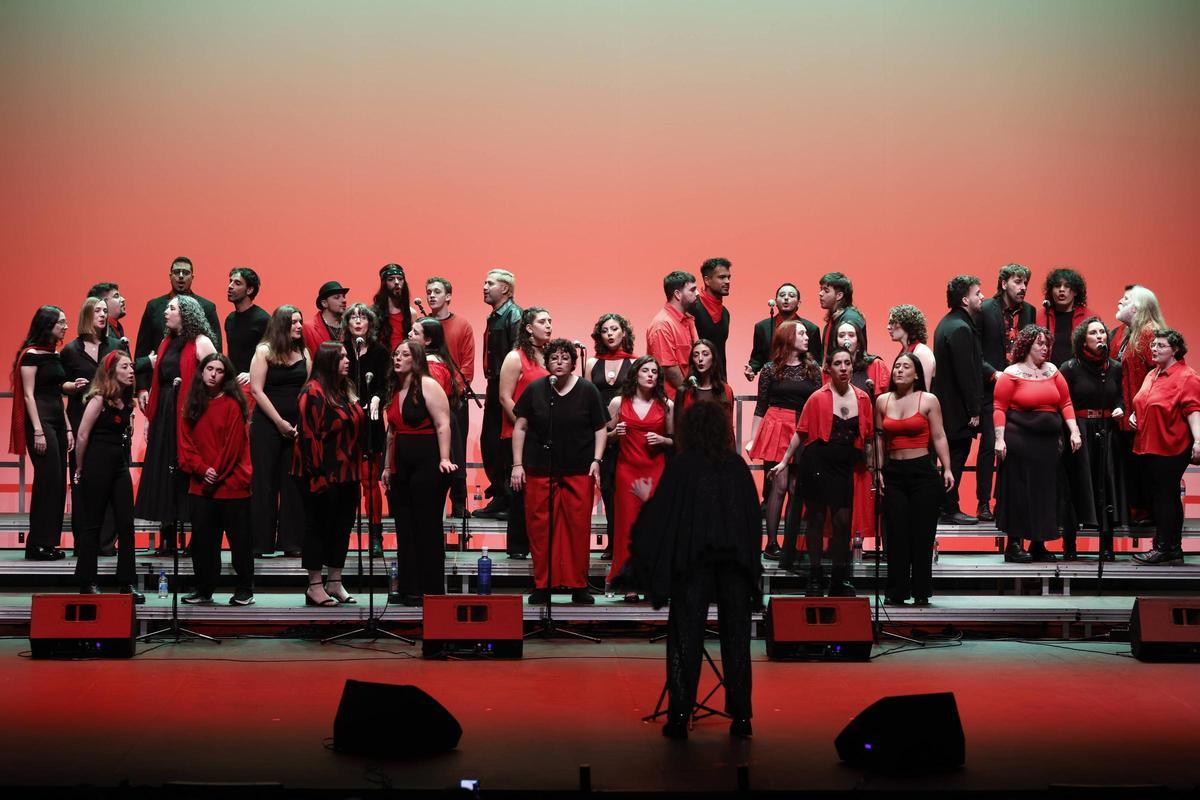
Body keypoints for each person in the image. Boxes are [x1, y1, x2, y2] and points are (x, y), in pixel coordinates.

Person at [624, 401, 761, 739]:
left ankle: (679, 716)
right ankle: (741, 717)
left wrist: (644, 499)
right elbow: (751, 518)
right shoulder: (737, 466)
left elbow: (665, 515)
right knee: (737, 639)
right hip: (734, 564)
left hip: (694, 562)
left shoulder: (683, 465)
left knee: (685, 636)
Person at [511, 338, 607, 605]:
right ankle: (543, 584)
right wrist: (517, 465)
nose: (560, 362)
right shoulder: (535, 389)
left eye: (565, 358)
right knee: (540, 528)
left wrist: (596, 460)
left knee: (577, 527)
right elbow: (520, 426)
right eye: (554, 358)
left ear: (573, 362)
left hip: (578, 468)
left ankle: (578, 585)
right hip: (541, 468)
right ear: (547, 362)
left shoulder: (588, 391)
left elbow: (600, 428)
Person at [774, 347, 874, 596]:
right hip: (816, 463)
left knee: (842, 522)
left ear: (852, 367)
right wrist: (785, 460)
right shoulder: (818, 397)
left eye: (847, 363)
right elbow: (801, 431)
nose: (843, 367)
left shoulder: (862, 398)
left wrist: (874, 469)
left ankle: (839, 578)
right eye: (838, 363)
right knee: (816, 519)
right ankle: (816, 576)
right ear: (828, 368)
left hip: (843, 466)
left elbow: (870, 438)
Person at [134, 295, 217, 555]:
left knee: (189, 473)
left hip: (192, 413)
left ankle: (197, 539)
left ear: (186, 313)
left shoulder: (201, 342)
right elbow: (160, 380)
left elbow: (215, 378)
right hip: (166, 413)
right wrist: (151, 418)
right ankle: (168, 537)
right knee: (166, 474)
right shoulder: (165, 342)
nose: (166, 312)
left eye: (172, 308)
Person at [994, 325, 1082, 562]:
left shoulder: (1052, 370)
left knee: (1045, 492)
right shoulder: (1011, 373)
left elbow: (1065, 403)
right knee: (1020, 492)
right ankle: (1014, 545)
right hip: (1019, 441)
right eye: (1040, 344)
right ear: (1027, 346)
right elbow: (999, 408)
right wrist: (1000, 439)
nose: (1045, 348)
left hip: (1048, 444)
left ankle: (1038, 543)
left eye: (1046, 344)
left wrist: (1074, 431)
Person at [874, 353, 954, 606]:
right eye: (896, 365)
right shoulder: (882, 401)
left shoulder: (928, 399)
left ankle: (921, 591)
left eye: (905, 366)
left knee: (922, 534)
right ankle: (897, 591)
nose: (899, 370)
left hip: (922, 472)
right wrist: (877, 470)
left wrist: (947, 468)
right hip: (894, 472)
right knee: (896, 533)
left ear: (917, 374)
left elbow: (939, 436)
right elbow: (878, 438)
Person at [382, 339, 457, 605]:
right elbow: (391, 431)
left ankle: (431, 588)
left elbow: (443, 424)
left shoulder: (428, 384)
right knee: (405, 525)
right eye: (396, 354)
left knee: (426, 525)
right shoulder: (394, 388)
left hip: (428, 460)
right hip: (402, 462)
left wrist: (445, 458)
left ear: (416, 359)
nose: (398, 358)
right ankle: (409, 588)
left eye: (404, 354)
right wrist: (388, 466)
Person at [178, 354, 255, 605]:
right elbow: (186, 445)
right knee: (202, 543)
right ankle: (204, 588)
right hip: (201, 485)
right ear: (201, 372)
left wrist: (213, 474)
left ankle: (244, 589)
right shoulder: (192, 405)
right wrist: (202, 470)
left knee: (240, 541)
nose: (213, 374)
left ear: (226, 376)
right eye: (209, 369)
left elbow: (233, 446)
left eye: (219, 370)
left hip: (231, 484)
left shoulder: (233, 404)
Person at [293, 341, 364, 607]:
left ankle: (334, 581)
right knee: (318, 528)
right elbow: (309, 439)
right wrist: (319, 476)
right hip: (319, 473)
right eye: (342, 357)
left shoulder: (345, 389)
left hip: (347, 473)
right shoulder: (313, 392)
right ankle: (314, 585)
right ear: (328, 362)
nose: (347, 360)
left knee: (341, 528)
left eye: (347, 356)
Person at [745, 321, 821, 563]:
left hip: (803, 428)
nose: (806, 336)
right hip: (777, 425)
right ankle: (771, 543)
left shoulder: (813, 368)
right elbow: (761, 405)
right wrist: (753, 438)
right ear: (788, 337)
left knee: (795, 488)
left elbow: (818, 402)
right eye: (801, 333)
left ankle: (788, 543)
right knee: (778, 486)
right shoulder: (770, 369)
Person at [71, 350, 142, 600]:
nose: (131, 370)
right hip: (97, 463)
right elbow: (82, 435)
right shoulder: (99, 399)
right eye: (125, 367)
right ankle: (87, 581)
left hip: (118, 464)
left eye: (132, 366)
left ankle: (127, 582)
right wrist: (80, 468)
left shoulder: (126, 400)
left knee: (126, 524)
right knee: (93, 525)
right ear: (112, 371)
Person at [1129, 329, 1200, 565]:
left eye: (1161, 346)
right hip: (1148, 445)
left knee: (1166, 497)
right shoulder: (1153, 374)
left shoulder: (1187, 376)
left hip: (1170, 446)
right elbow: (1145, 401)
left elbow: (1193, 411)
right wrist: (1134, 414)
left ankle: (1167, 548)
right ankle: (1168, 546)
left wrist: (1199, 440)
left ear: (1175, 350)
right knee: (1160, 497)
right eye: (1154, 346)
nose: (1154, 349)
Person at [606, 356, 673, 602]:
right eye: (645, 370)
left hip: (656, 470)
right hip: (628, 471)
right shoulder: (617, 402)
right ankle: (630, 582)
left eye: (654, 371)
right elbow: (603, 435)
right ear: (635, 374)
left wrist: (663, 440)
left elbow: (677, 440)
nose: (650, 375)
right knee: (627, 527)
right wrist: (615, 433)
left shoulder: (667, 404)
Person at [10, 306, 74, 560]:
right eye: (61, 322)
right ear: (48, 325)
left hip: (57, 420)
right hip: (41, 422)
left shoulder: (53, 354)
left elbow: (57, 392)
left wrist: (67, 426)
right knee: (47, 481)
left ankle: (48, 543)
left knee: (58, 483)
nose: (65, 326)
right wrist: (37, 430)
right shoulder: (31, 355)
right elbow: (28, 395)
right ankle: (36, 544)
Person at [1059, 317, 1126, 560]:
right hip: (1080, 431)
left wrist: (1120, 408)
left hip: (1107, 431)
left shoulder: (1115, 367)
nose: (1100, 336)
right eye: (1093, 333)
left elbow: (1120, 396)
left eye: (1102, 332)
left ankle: (1106, 544)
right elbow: (1062, 402)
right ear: (1082, 339)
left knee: (1106, 486)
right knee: (1076, 486)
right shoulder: (1070, 367)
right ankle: (1070, 545)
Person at [977, 264, 1037, 522]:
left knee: (1016, 446)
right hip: (992, 386)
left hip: (1020, 387)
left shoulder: (1030, 311)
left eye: (1025, 283)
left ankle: (1005, 502)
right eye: (1017, 281)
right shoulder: (985, 309)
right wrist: (993, 373)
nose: (1023, 287)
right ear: (1004, 283)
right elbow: (975, 351)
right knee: (990, 444)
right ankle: (983, 503)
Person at [249, 305, 309, 558]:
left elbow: (308, 388)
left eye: (300, 321)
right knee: (265, 483)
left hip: (295, 425)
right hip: (267, 424)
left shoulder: (303, 351)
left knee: (292, 483)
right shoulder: (264, 351)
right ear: (282, 324)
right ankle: (261, 543)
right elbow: (256, 390)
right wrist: (279, 422)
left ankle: (291, 541)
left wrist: (298, 423)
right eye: (294, 322)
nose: (298, 326)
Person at [61, 298, 116, 555]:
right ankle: (84, 543)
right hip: (79, 419)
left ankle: (106, 544)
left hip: (109, 426)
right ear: (86, 315)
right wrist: (72, 386)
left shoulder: (114, 347)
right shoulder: (71, 350)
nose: (103, 315)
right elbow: (58, 383)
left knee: (110, 483)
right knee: (81, 480)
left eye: (105, 311)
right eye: (98, 311)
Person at [930, 275, 985, 526]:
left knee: (950, 459)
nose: (981, 297)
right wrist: (974, 409)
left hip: (947, 407)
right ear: (965, 299)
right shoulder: (961, 328)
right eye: (977, 293)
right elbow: (967, 373)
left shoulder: (946, 324)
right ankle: (949, 507)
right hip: (957, 410)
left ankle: (946, 505)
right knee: (955, 458)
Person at [497, 307, 551, 559]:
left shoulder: (551, 356)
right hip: (518, 434)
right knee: (520, 490)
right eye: (542, 321)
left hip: (545, 435)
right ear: (529, 328)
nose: (549, 325)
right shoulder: (515, 357)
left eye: (550, 321)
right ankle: (518, 546)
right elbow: (505, 397)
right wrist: (522, 425)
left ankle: (542, 544)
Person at [1112, 285, 1168, 526]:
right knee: (1133, 466)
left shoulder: (1149, 333)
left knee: (1146, 468)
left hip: (1143, 417)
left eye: (1125, 300)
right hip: (1129, 416)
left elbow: (1161, 375)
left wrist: (1141, 409)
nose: (1119, 303)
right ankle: (1139, 511)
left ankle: (1149, 513)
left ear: (1138, 307)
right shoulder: (1125, 332)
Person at [585, 313, 636, 560]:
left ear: (623, 332)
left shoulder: (635, 363)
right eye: (605, 330)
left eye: (614, 329)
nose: (610, 334)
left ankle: (626, 543)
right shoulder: (592, 363)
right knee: (607, 488)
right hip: (600, 431)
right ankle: (612, 542)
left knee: (625, 490)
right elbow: (585, 399)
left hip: (627, 433)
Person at [425, 276, 475, 517]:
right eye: (428, 292)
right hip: (426, 401)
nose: (432, 295)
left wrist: (447, 392)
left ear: (448, 296)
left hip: (453, 399)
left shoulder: (462, 325)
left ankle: (458, 502)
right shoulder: (421, 327)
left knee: (457, 450)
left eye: (436, 291)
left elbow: (467, 367)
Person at [134, 257, 222, 394]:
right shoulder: (154, 306)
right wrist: (142, 388)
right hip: (159, 383)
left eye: (185, 273)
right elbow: (143, 348)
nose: (181, 276)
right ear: (170, 276)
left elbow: (216, 349)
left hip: (194, 386)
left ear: (192, 277)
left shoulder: (207, 307)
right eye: (177, 272)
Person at [344, 303, 390, 557]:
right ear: (347, 323)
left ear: (370, 324)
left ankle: (375, 536)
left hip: (371, 424)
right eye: (353, 317)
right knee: (346, 483)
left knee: (370, 483)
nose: (358, 321)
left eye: (363, 317)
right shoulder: (340, 351)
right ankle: (342, 534)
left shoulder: (380, 352)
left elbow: (386, 385)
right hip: (345, 425)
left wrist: (377, 399)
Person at [476, 268, 522, 519]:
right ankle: (502, 494)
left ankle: (508, 499)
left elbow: (516, 354)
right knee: (491, 442)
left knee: (503, 443)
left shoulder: (514, 315)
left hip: (507, 386)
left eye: (490, 283)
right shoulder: (495, 316)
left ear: (505, 288)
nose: (484, 287)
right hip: (494, 385)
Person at [410, 316, 466, 520]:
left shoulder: (432, 367)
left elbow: (430, 404)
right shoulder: (432, 362)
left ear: (428, 340)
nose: (409, 335)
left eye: (415, 333)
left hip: (433, 433)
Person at [745, 283, 821, 382]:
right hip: (771, 381)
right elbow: (757, 358)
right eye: (782, 295)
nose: (786, 298)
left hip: (802, 382)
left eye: (791, 295)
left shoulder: (811, 329)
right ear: (776, 301)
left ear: (798, 302)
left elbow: (817, 362)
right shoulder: (762, 327)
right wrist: (752, 369)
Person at [645, 270, 699, 398]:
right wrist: (690, 396)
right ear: (678, 294)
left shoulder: (687, 320)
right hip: (672, 403)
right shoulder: (662, 324)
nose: (697, 293)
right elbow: (670, 370)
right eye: (692, 290)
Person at [88, 282, 153, 378]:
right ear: (103, 303)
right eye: (116, 296)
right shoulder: (101, 331)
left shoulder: (117, 327)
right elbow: (115, 367)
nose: (123, 299)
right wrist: (148, 361)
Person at [673, 338, 735, 436]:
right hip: (691, 448)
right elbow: (678, 430)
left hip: (718, 448)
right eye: (696, 355)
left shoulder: (725, 390)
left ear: (713, 358)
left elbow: (729, 430)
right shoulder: (684, 391)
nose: (700, 359)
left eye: (705, 354)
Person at [224, 267, 270, 381]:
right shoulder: (230, 319)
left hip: (255, 383)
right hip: (233, 383)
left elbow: (274, 356)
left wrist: (252, 374)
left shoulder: (263, 319)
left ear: (249, 290)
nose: (230, 286)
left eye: (237, 283)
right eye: (230, 281)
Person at [1039, 268, 1092, 366]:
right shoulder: (1040, 316)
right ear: (1051, 291)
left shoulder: (1090, 318)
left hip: (1079, 376)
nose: (1062, 289)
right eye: (1057, 286)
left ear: (1075, 292)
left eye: (1067, 286)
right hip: (1047, 375)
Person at [688, 258, 731, 368]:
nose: (727, 281)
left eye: (728, 277)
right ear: (707, 280)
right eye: (722, 277)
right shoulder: (693, 308)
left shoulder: (725, 313)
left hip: (719, 380)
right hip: (697, 380)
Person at [817, 272, 866, 364]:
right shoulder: (835, 318)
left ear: (839, 295)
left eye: (826, 290)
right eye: (821, 289)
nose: (820, 293)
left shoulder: (850, 319)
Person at [834, 319, 888, 398]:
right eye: (841, 336)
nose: (846, 339)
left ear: (858, 342)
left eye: (851, 335)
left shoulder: (876, 364)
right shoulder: (829, 369)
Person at [886, 304, 936, 384]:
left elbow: (923, 392)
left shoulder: (922, 352)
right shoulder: (904, 351)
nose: (888, 327)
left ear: (906, 324)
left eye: (893, 322)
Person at [373, 263, 416, 356]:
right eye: (391, 279)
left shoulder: (411, 313)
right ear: (384, 283)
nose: (396, 282)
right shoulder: (374, 314)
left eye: (400, 279)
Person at [301, 280, 350, 357]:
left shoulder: (349, 326)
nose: (344, 300)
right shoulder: (308, 328)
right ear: (324, 303)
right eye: (337, 297)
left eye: (343, 296)